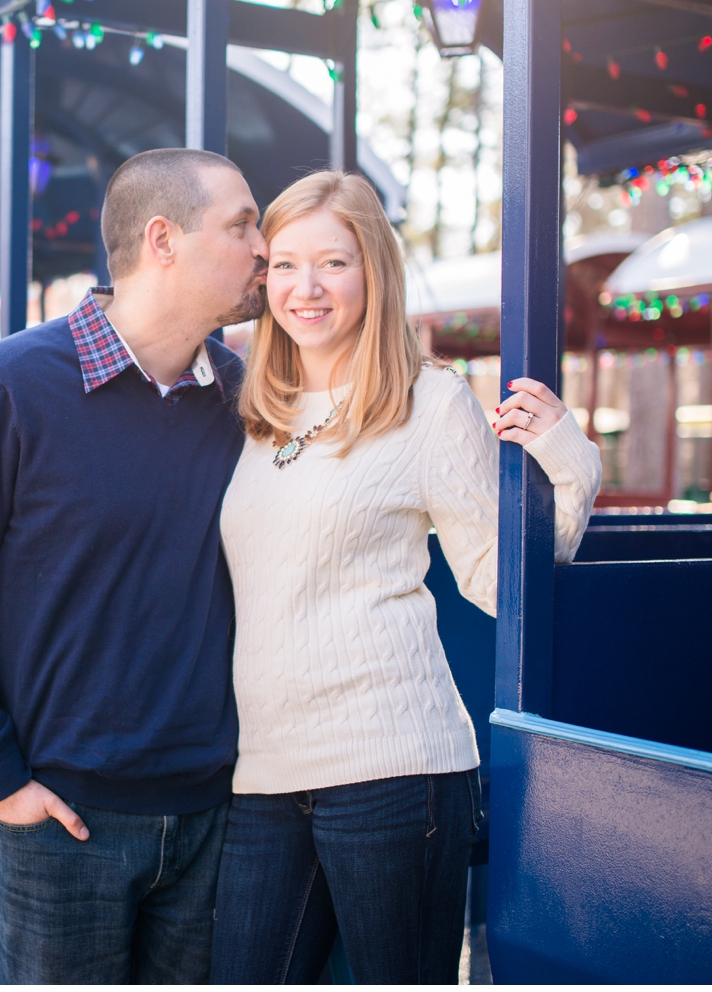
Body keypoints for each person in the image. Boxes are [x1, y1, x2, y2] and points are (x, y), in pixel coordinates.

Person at [211, 170, 602, 984]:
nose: (305, 288)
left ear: (373, 273)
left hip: (394, 772)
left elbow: (499, 583)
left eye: (333, 264)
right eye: (284, 265)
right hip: (264, 773)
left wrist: (574, 472)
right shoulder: (254, 411)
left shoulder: (430, 402)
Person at [0, 148, 269, 983]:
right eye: (243, 224)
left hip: (216, 816)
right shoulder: (8, 388)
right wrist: (1, 785)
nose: (264, 248)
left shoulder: (248, 399)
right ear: (163, 239)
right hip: (61, 826)